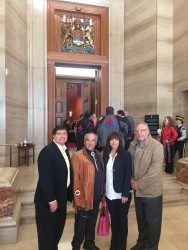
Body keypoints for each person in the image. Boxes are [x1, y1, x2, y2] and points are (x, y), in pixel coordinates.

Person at [34, 125, 73, 250]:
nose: (62, 136)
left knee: (57, 229)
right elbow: (45, 179)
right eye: (59, 133)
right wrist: (51, 200)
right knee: (47, 232)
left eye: (65, 134)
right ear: (53, 136)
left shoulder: (65, 150)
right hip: (48, 201)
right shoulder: (47, 151)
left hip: (61, 198)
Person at [129, 121, 164, 250]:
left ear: (148, 131)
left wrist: (139, 184)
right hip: (137, 192)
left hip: (151, 193)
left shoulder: (157, 146)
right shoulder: (132, 145)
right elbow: (130, 166)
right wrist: (132, 180)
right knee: (141, 221)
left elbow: (154, 171)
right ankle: (141, 243)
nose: (140, 133)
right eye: (137, 131)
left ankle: (152, 247)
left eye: (142, 130)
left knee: (152, 223)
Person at [71, 132, 104, 250]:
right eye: (88, 140)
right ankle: (76, 245)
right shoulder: (77, 156)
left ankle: (89, 243)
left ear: (96, 142)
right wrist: (79, 200)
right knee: (81, 224)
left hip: (96, 197)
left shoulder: (99, 154)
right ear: (84, 142)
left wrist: (102, 195)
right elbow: (76, 180)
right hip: (84, 198)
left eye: (93, 140)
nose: (90, 143)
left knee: (92, 221)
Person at [103, 132, 132, 250]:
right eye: (111, 140)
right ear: (108, 141)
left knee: (122, 221)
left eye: (116, 140)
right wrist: (103, 195)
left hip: (121, 195)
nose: (114, 142)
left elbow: (128, 174)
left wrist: (125, 193)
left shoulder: (125, 154)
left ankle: (121, 246)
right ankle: (113, 245)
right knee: (114, 221)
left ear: (120, 141)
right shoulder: (106, 154)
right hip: (109, 194)